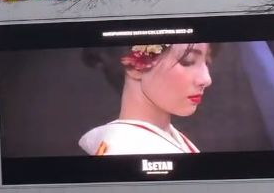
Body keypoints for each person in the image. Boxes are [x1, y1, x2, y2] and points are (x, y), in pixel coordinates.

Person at [78, 42, 212, 156]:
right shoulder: (124, 149)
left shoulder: (166, 138)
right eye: (188, 61)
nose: (206, 79)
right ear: (136, 66)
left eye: (206, 62)